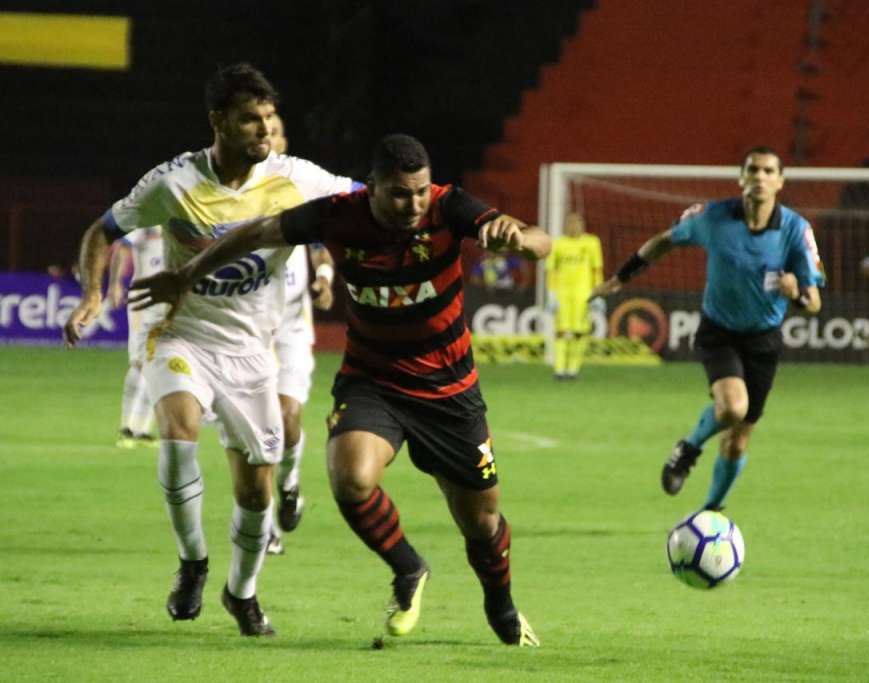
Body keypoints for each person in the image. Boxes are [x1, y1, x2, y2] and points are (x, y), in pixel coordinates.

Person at [129, 133, 549, 647]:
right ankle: (408, 567)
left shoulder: (449, 207)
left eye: (419, 191)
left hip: (448, 389)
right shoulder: (337, 215)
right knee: (349, 479)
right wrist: (187, 273)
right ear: (371, 188)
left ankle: (501, 606)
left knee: (481, 523)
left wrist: (519, 238)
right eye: (399, 193)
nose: (413, 204)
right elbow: (254, 233)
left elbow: (539, 240)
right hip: (374, 381)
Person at [62, 63, 360, 637]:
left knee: (256, 488)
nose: (264, 130)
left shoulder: (296, 177)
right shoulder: (173, 182)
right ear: (218, 122)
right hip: (181, 334)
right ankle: (193, 562)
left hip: (252, 351)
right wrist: (91, 296)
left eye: (270, 118)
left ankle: (241, 594)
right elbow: (103, 231)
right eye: (251, 119)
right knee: (176, 434)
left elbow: (367, 200)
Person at [592, 146, 824, 509]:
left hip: (764, 339)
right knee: (733, 408)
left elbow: (814, 303)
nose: (760, 177)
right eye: (753, 170)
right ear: (741, 178)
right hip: (719, 331)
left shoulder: (796, 230)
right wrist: (622, 277)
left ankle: (710, 511)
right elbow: (665, 241)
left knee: (738, 441)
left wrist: (797, 295)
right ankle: (689, 447)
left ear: (780, 181)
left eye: (768, 171)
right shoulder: (713, 218)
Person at [263, 113, 338, 555]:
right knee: (261, 428)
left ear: (284, 139)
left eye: (273, 130)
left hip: (291, 326)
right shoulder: (233, 191)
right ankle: (266, 523)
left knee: (288, 416)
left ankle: (289, 484)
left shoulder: (298, 185)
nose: (265, 137)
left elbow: (320, 241)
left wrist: (325, 276)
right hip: (248, 326)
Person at [108, 226, 165, 448]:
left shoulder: (183, 221)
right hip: (144, 299)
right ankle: (126, 427)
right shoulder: (149, 220)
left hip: (169, 300)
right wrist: (115, 284)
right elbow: (122, 247)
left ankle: (142, 430)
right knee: (139, 363)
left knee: (160, 363)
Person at [546, 211, 603, 380]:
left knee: (580, 332)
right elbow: (551, 271)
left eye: (577, 223)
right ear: (565, 225)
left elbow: (596, 270)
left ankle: (573, 369)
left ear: (582, 225)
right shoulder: (557, 244)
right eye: (570, 223)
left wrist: (597, 293)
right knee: (561, 331)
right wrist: (551, 295)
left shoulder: (592, 242)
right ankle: (559, 369)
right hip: (562, 294)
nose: (573, 226)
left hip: (583, 294)